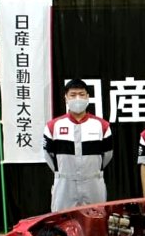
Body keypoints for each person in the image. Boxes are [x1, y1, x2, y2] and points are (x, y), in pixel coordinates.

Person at [43, 79, 113, 212]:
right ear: (66, 98)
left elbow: (107, 154)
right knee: (62, 222)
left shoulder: (102, 126)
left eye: (81, 94)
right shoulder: (53, 126)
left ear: (88, 97)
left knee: (96, 220)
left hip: (93, 182)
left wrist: (93, 171)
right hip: (64, 183)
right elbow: (48, 155)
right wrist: (62, 172)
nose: (77, 98)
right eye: (73, 95)